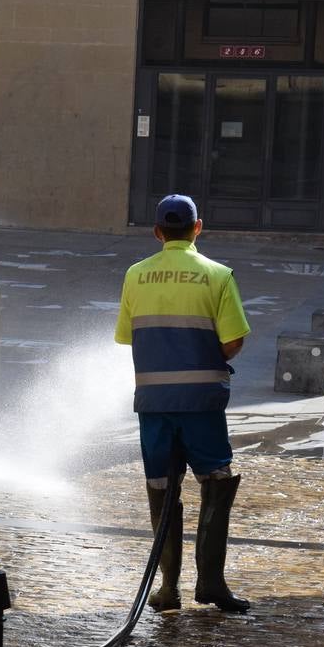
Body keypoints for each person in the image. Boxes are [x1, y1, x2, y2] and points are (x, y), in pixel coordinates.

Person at [115, 194, 251, 613]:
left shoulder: (135, 275)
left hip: (153, 403)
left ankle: (167, 588)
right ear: (197, 228)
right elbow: (232, 342)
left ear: (158, 232)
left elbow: (126, 337)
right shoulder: (218, 276)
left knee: (162, 488)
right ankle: (210, 583)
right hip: (202, 403)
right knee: (216, 483)